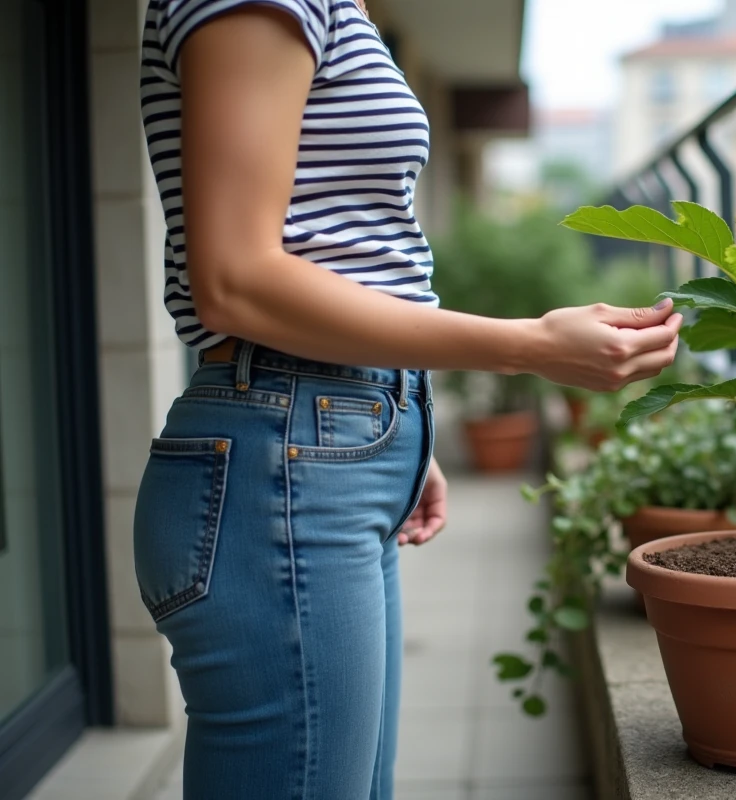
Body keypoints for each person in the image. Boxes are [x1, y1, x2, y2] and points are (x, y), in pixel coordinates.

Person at [131, 1, 681, 798]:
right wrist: (529, 345)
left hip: (317, 444)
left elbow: (340, 243)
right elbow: (235, 281)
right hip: (285, 454)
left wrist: (396, 419)